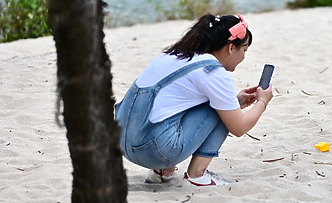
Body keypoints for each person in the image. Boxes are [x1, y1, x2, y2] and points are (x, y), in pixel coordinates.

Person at [114, 13, 273, 186]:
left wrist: (236, 101)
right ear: (231, 48)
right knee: (218, 107)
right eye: (244, 50)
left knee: (208, 102)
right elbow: (239, 127)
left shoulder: (173, 55)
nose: (244, 56)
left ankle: (162, 172)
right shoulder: (212, 71)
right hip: (155, 151)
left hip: (123, 143)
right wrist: (262, 101)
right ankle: (197, 175)